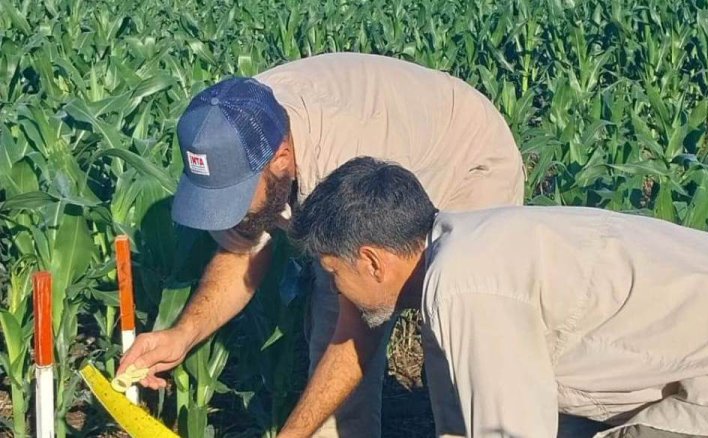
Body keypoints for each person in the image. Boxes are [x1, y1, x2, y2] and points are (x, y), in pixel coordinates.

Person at [118, 53, 525, 437]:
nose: (230, 216)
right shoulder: (232, 129)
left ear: (281, 160)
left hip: (464, 160)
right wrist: (183, 334)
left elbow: (357, 329)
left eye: (235, 200)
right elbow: (241, 251)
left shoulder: (342, 163)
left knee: (453, 333)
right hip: (364, 163)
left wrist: (292, 433)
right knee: (329, 321)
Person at [287, 156, 708, 438]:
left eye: (333, 273)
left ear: (372, 261)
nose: (336, 290)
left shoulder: (465, 285)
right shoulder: (464, 245)